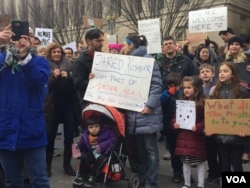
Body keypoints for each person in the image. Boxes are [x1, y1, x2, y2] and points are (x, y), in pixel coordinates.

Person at [0, 25, 50, 187]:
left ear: (34, 41)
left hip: (32, 130)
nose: (24, 38)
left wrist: (24, 59)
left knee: (39, 180)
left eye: (29, 35)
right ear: (10, 38)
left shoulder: (40, 61)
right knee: (12, 181)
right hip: (6, 131)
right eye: (19, 34)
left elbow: (38, 81)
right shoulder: (2, 61)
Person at [122, 35, 163, 188]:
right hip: (134, 114)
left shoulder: (148, 62)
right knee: (141, 151)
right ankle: (144, 178)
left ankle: (151, 182)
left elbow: (156, 86)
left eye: (124, 45)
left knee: (151, 150)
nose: (122, 48)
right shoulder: (127, 62)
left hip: (147, 113)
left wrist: (150, 106)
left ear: (131, 45)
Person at [44, 42, 82, 177]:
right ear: (50, 53)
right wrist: (54, 77)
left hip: (68, 105)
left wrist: (69, 78)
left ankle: (67, 165)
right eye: (54, 52)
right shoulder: (45, 65)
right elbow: (45, 87)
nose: (56, 54)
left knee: (69, 137)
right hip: (53, 106)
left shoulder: (69, 64)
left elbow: (74, 87)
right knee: (50, 136)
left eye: (58, 52)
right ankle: (47, 165)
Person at [208, 62, 249, 173]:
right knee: (224, 164)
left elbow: (246, 112)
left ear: (233, 74)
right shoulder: (215, 90)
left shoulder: (242, 90)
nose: (221, 73)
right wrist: (210, 128)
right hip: (221, 136)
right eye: (220, 71)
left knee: (237, 164)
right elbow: (211, 112)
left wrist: (244, 129)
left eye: (225, 71)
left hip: (237, 136)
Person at [172, 76, 207, 188]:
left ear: (196, 88)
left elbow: (207, 119)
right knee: (185, 160)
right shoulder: (181, 102)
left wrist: (198, 126)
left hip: (197, 137)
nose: (186, 90)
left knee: (200, 161)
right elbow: (175, 117)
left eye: (189, 87)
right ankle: (187, 183)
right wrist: (174, 124)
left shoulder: (203, 102)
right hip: (183, 137)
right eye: (184, 88)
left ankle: (201, 184)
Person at [72, 114, 118, 187]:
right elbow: (80, 143)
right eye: (91, 127)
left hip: (102, 154)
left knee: (101, 159)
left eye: (96, 126)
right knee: (83, 157)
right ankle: (84, 175)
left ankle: (93, 176)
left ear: (100, 126)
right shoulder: (86, 135)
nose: (94, 129)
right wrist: (76, 147)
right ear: (87, 128)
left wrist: (101, 146)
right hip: (91, 153)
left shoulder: (106, 133)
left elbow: (112, 140)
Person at [198, 64, 221, 185]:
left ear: (213, 74)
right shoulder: (198, 90)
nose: (205, 73)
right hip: (205, 125)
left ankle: (221, 172)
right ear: (199, 75)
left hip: (218, 123)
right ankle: (213, 173)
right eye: (203, 72)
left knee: (221, 152)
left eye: (208, 71)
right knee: (210, 152)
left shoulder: (218, 87)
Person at [72, 28, 104, 109]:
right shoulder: (80, 62)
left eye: (102, 41)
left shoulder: (105, 58)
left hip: (104, 101)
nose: (101, 43)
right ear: (89, 41)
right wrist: (90, 81)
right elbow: (77, 84)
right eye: (98, 41)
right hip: (89, 104)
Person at [161, 72, 183, 183]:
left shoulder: (183, 94)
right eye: (170, 86)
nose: (173, 88)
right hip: (170, 127)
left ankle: (185, 172)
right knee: (174, 152)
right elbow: (161, 102)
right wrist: (168, 94)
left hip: (182, 127)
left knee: (184, 151)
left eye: (176, 85)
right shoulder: (165, 94)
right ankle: (177, 172)